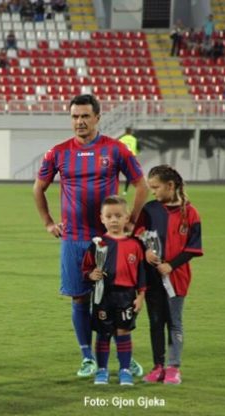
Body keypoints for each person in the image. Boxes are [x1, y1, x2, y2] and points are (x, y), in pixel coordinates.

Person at [33, 94, 148, 379]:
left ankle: (124, 357)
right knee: (79, 299)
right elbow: (38, 188)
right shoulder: (58, 152)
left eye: (85, 116)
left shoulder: (116, 149)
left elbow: (141, 185)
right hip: (74, 238)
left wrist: (132, 221)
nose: (80, 122)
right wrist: (48, 222)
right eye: (75, 116)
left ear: (97, 117)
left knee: (116, 299)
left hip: (109, 241)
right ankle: (87, 358)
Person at [136, 165, 203, 385]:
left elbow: (193, 248)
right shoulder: (149, 210)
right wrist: (145, 251)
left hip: (177, 277)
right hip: (152, 277)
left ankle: (173, 367)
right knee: (156, 322)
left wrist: (171, 265)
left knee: (174, 321)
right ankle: (158, 366)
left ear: (170, 185)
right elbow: (138, 235)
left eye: (156, 187)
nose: (153, 191)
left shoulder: (190, 213)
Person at [82, 196, 146, 386]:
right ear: (102, 218)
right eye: (109, 216)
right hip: (103, 295)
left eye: (118, 216)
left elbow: (142, 274)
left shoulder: (135, 245)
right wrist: (91, 275)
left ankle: (125, 370)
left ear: (127, 217)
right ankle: (102, 370)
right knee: (103, 333)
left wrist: (141, 296)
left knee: (123, 331)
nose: (114, 220)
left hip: (126, 295)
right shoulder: (98, 244)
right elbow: (86, 268)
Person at [119, 127, 138, 194]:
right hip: (131, 157)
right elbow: (134, 149)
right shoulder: (134, 139)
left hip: (122, 157)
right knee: (130, 174)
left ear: (125, 132)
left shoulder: (121, 139)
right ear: (131, 132)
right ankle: (125, 191)